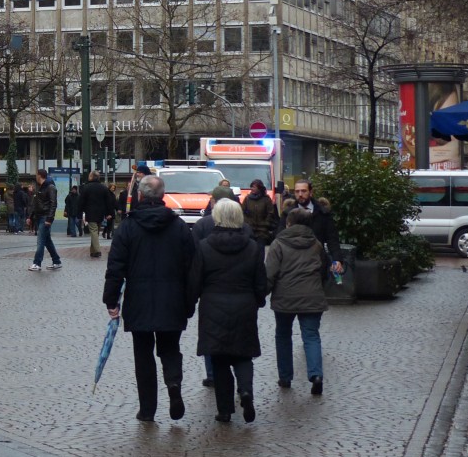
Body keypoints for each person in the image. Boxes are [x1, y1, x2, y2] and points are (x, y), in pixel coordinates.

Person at [103, 174, 195, 423]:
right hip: (172, 300)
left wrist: (111, 301)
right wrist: (190, 301)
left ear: (140, 196)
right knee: (170, 349)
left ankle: (147, 409)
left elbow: (116, 267)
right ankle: (173, 385)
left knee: (143, 355)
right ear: (163, 196)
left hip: (140, 300)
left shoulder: (129, 227)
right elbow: (191, 267)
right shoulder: (179, 227)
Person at [187, 198, 267, 424]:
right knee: (243, 355)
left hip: (213, 306)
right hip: (244, 305)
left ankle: (224, 410)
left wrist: (190, 304)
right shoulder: (252, 247)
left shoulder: (204, 246)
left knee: (220, 359)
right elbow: (260, 280)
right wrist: (259, 300)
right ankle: (246, 391)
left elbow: (195, 280)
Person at [266, 207, 329, 395]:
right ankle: (316, 375)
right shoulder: (316, 244)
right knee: (311, 336)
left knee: (283, 335)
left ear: (289, 223)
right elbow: (323, 270)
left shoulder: (279, 243)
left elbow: (270, 272)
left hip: (285, 297)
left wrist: (262, 292)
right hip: (312, 295)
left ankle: (285, 377)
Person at [290, 179, 344, 279]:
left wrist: (337, 259)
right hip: (294, 263)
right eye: (297, 191)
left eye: (303, 191)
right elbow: (280, 236)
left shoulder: (323, 213)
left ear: (311, 192)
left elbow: (332, 238)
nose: (300, 194)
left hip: (317, 263)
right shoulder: (288, 213)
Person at [28, 169, 62, 271]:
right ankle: (56, 261)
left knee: (41, 241)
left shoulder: (50, 187)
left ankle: (37, 263)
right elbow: (36, 204)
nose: (35, 177)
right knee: (47, 241)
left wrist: (49, 219)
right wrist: (30, 217)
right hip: (40, 217)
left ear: (39, 176)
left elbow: (53, 204)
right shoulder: (40, 188)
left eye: (36, 175)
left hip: (45, 217)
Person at [79, 171, 115, 258]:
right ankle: (93, 251)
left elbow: (81, 201)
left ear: (91, 177)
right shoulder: (103, 188)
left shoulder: (86, 187)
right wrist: (109, 213)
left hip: (90, 213)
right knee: (95, 232)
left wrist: (79, 212)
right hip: (101, 213)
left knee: (94, 232)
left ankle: (97, 250)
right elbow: (108, 202)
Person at [242, 178, 280, 246]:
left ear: (259, 188)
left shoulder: (266, 199)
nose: (252, 188)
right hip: (250, 229)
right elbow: (242, 211)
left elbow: (270, 212)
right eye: (251, 187)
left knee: (260, 251)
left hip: (262, 231)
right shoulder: (247, 199)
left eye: (254, 187)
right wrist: (247, 222)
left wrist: (266, 223)